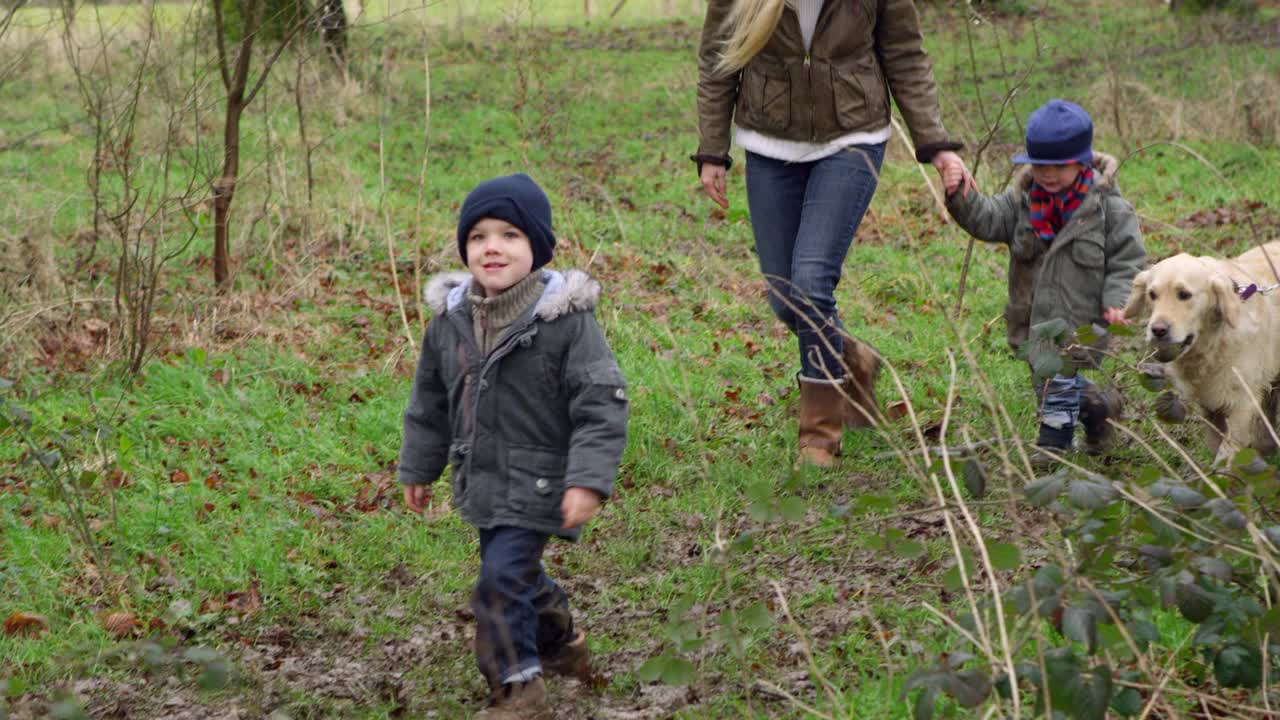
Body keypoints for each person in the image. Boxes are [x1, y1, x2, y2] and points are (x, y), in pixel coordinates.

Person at [693, 0, 973, 467]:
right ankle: (851, 357)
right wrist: (711, 148)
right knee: (785, 298)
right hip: (769, 141)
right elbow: (717, 58)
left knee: (810, 284)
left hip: (852, 139)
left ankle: (819, 436)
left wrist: (936, 145)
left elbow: (905, 54)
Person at [398, 173, 629, 719]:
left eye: (510, 235)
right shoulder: (450, 322)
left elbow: (601, 401)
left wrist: (588, 480)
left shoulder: (565, 323)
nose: (492, 247)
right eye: (478, 236)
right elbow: (430, 401)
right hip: (481, 477)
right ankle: (558, 638)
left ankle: (518, 688)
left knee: (498, 581)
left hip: (542, 481)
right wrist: (418, 467)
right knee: (514, 574)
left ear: (537, 247)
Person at [942, 99, 1146, 465]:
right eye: (1039, 166)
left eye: (1059, 167)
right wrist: (960, 195)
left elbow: (1127, 260)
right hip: (1032, 316)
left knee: (1056, 380)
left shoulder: (1109, 210)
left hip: (1080, 320)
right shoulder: (1020, 202)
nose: (1048, 175)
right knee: (1047, 379)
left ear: (1082, 163)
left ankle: (1054, 447)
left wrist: (1119, 300)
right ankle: (1099, 407)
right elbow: (986, 219)